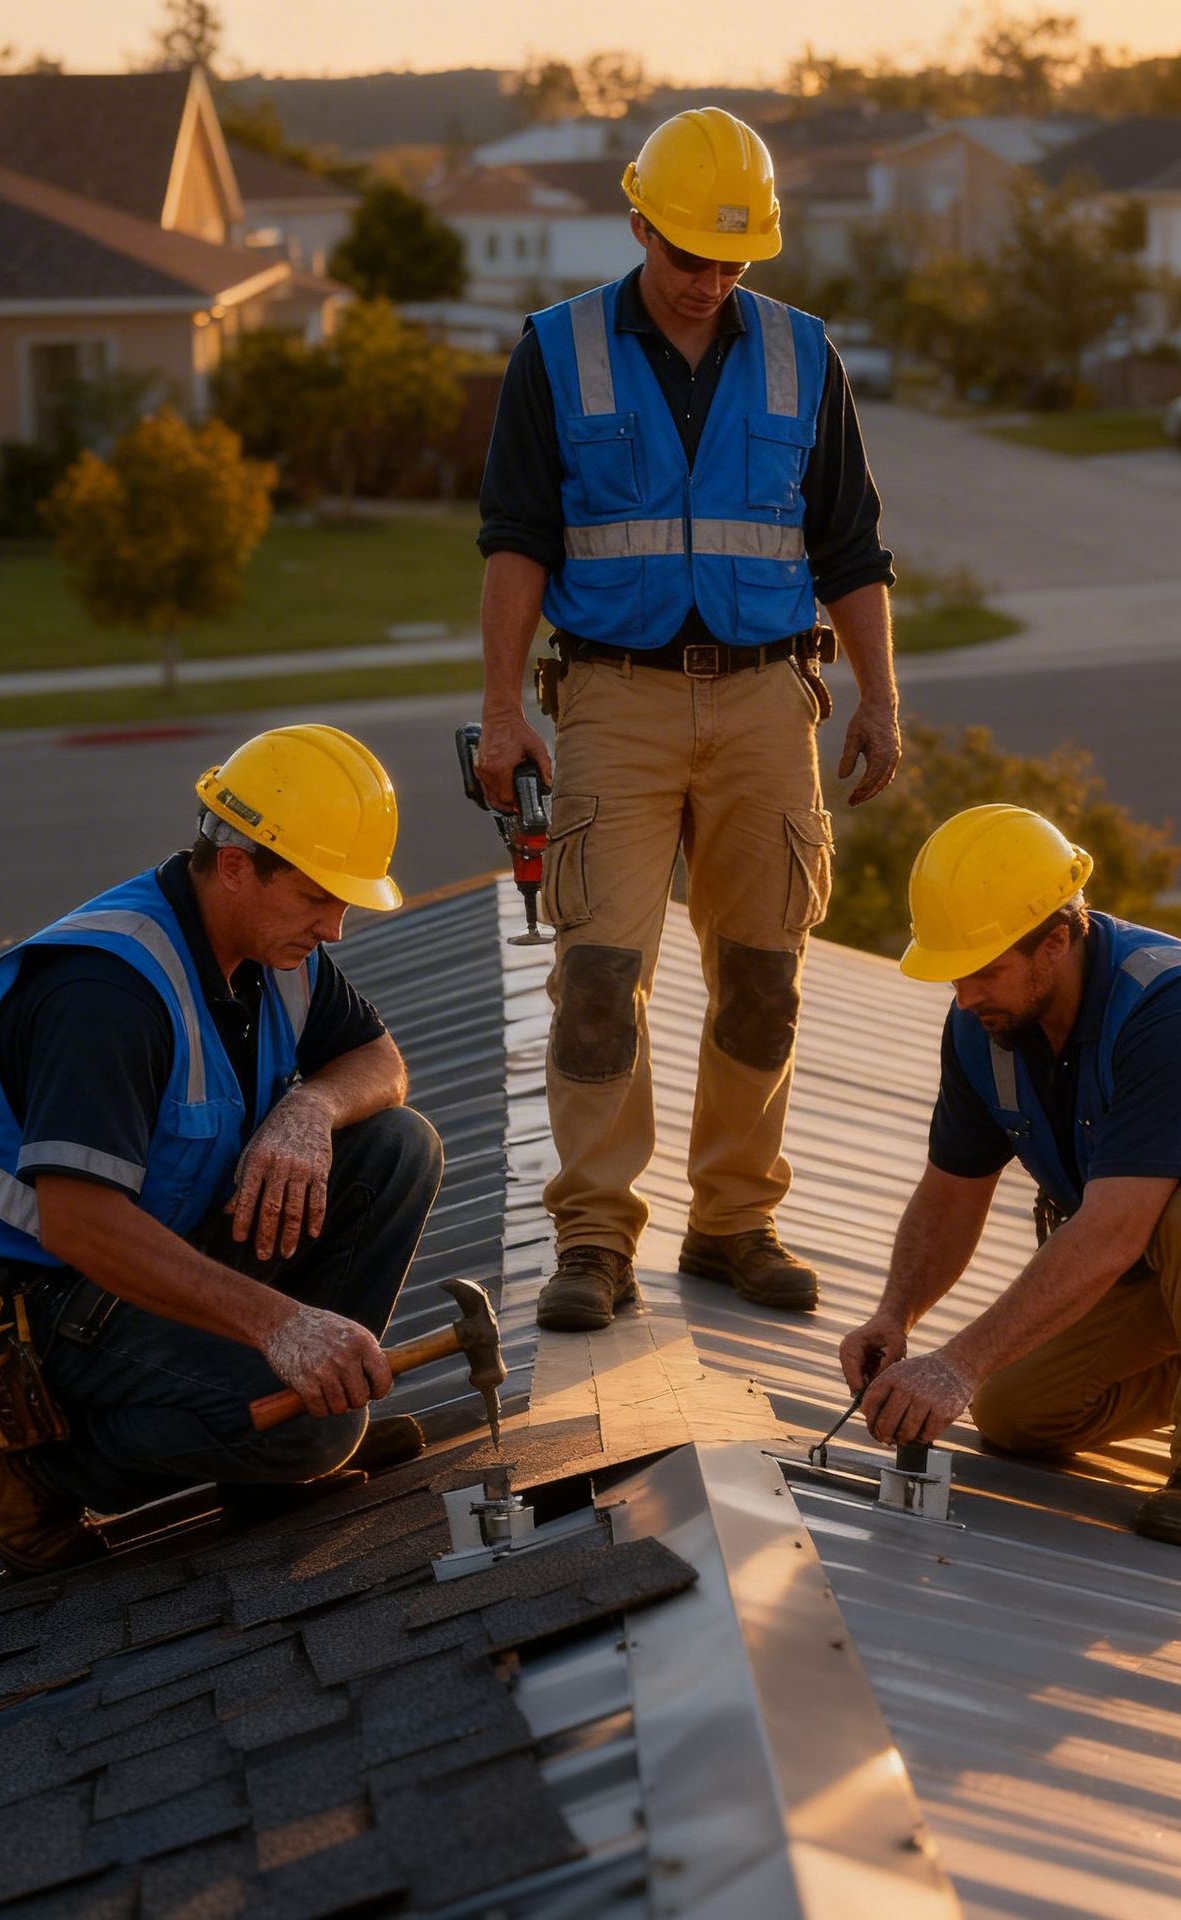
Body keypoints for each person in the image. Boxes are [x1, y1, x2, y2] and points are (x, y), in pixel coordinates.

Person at [473, 106, 900, 1333]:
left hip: (772, 696)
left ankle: (733, 1223)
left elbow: (852, 544)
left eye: (734, 260)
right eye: (687, 257)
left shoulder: (802, 354)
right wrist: (503, 712)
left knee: (763, 976)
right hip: (613, 697)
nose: (710, 282)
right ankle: (595, 1236)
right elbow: (517, 543)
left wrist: (879, 697)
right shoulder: (555, 355)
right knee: (598, 974)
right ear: (636, 223)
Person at [0, 724, 442, 1576]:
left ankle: (281, 1425)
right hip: (37, 1310)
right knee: (320, 1428)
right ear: (236, 865)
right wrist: (283, 1326)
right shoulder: (103, 990)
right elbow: (80, 1226)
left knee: (394, 1147)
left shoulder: (277, 948)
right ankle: (41, 1471)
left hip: (144, 1262)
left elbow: (379, 1062)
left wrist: (309, 1108)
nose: (335, 927)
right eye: (316, 896)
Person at [841, 805, 1181, 1552]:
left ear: (1057, 940)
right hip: (1159, 1251)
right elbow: (950, 1192)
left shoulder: (1179, 1012)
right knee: (1015, 1413)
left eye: (984, 971)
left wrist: (959, 1363)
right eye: (954, 975)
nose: (966, 996)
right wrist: (896, 1314)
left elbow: (1114, 1229)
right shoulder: (989, 1025)